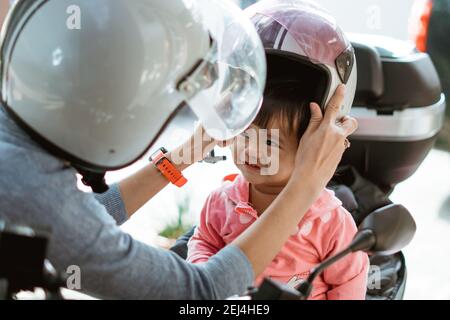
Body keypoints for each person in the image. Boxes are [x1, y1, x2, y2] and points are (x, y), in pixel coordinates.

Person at [0, 0, 357, 299]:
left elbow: (88, 215)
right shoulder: (33, 191)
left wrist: (187, 153)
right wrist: (306, 185)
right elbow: (198, 292)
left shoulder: (19, 158)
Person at [187, 81, 369, 300]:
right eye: (245, 134)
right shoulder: (221, 201)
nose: (251, 149)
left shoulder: (329, 221)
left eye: (271, 142)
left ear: (311, 150)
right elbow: (204, 242)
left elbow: (348, 282)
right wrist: (205, 280)